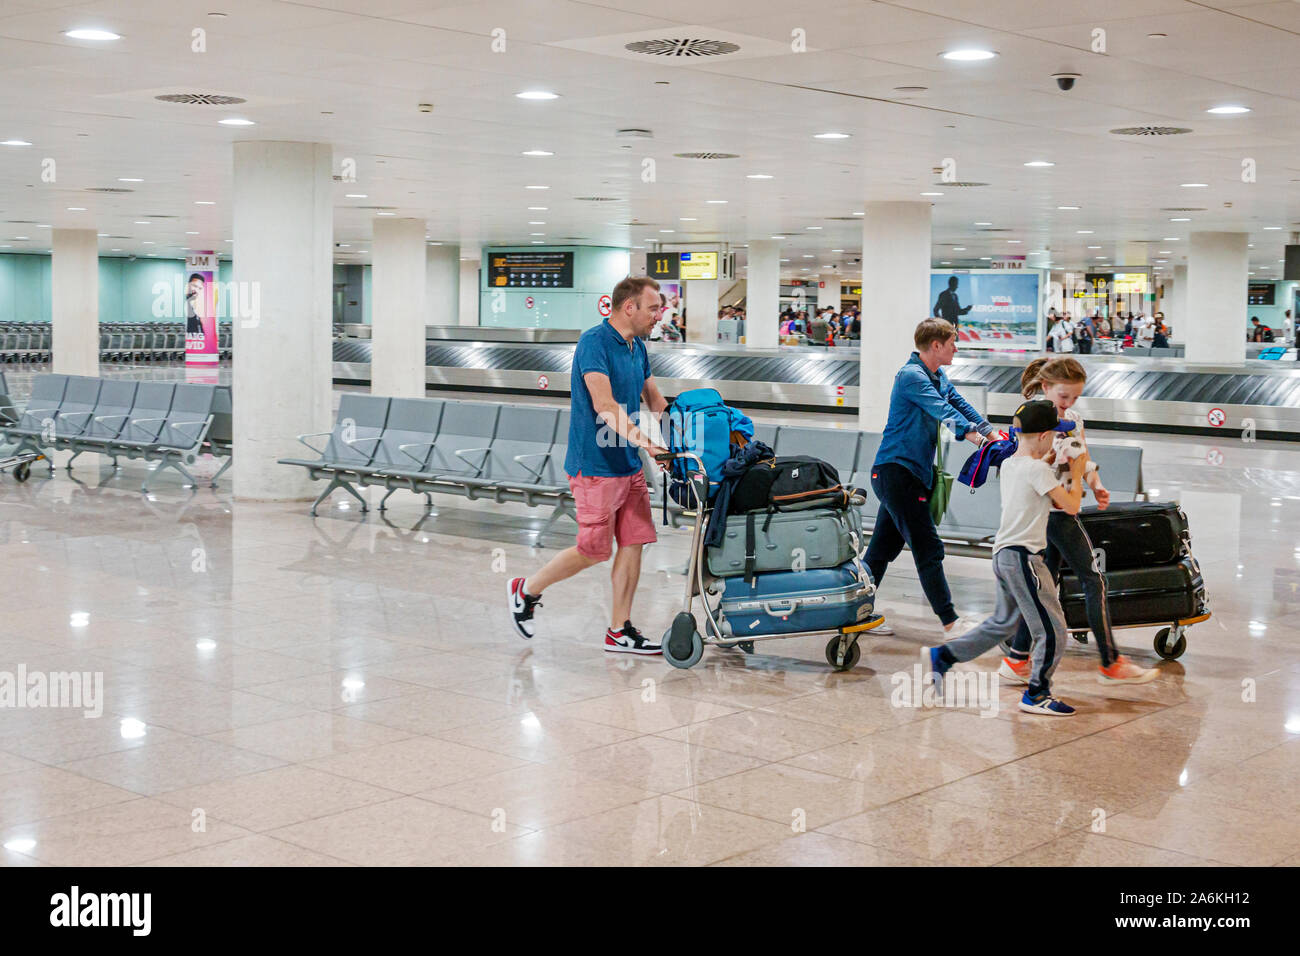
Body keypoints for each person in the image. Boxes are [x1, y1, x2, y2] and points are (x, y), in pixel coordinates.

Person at [507, 276, 669, 654]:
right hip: (595, 466)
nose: (659, 316)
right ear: (629, 307)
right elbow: (605, 406)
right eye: (653, 308)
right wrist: (649, 446)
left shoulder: (637, 347)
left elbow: (656, 402)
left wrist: (689, 437)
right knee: (594, 549)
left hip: (627, 464)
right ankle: (526, 589)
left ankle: (620, 629)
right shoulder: (593, 343)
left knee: (635, 541)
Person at [1002, 359, 1159, 684]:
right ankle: (1110, 661)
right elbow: (1038, 464)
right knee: (1092, 577)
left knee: (1053, 581)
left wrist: (1097, 486)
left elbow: (1081, 457)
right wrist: (1073, 481)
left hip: (1058, 507)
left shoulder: (1072, 419)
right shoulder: (1032, 417)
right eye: (1064, 396)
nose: (1069, 404)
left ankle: (1018, 658)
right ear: (1046, 387)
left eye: (1074, 397)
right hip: (1051, 511)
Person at [927, 400, 1087, 716]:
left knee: (1004, 623)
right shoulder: (1039, 470)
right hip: (1025, 559)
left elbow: (1033, 479)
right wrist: (1078, 473)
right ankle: (1037, 694)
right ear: (1043, 436)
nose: (1058, 438)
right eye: (1056, 433)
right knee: (1053, 629)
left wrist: (1048, 460)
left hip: (1003, 555)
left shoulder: (1013, 463)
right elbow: (1069, 506)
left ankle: (943, 657)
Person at [865, 319, 994, 634]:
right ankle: (950, 621)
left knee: (880, 550)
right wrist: (974, 437)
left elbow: (958, 403)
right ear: (936, 345)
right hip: (898, 471)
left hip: (906, 473)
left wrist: (989, 431)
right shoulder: (912, 377)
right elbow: (942, 409)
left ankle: (854, 612)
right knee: (928, 546)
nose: (956, 348)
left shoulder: (936, 375)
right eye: (953, 342)